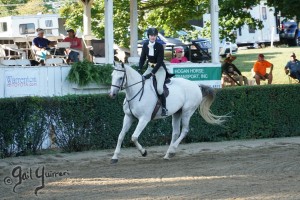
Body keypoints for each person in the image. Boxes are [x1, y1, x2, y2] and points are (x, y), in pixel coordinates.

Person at [139, 27, 168, 116]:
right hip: (149, 67)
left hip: (159, 69)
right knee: (140, 82)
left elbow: (159, 62)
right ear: (148, 36)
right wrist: (139, 68)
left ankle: (164, 108)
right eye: (151, 35)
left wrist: (152, 74)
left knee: (159, 89)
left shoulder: (159, 46)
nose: (153, 37)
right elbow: (143, 58)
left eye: (154, 36)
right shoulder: (145, 45)